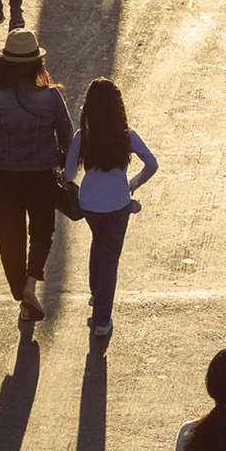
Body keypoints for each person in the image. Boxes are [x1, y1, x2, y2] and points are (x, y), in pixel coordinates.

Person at [0, 27, 73, 324]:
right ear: (37, 64)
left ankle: (21, 295)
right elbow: (68, 138)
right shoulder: (51, 98)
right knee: (42, 233)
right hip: (42, 177)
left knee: (8, 239)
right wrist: (67, 168)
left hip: (5, 178)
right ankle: (29, 288)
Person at [64, 78, 158, 339]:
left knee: (99, 243)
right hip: (118, 203)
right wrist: (132, 183)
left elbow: (69, 175)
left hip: (90, 205)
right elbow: (152, 163)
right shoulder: (127, 135)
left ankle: (97, 295)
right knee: (110, 257)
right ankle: (102, 320)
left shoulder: (82, 137)